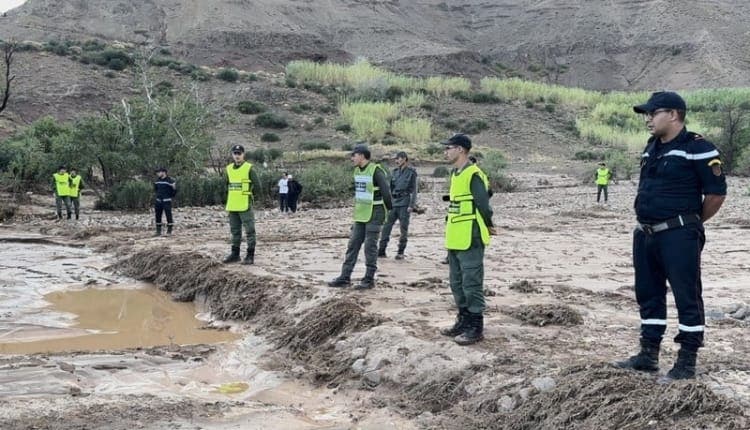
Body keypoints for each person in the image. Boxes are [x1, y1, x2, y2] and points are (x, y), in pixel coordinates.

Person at [614, 91, 726, 381]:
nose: (648, 119)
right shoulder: (652, 147)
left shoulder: (697, 147)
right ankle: (648, 355)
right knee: (648, 295)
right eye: (646, 114)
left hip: (679, 235)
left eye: (654, 113)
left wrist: (689, 223)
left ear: (674, 114)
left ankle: (686, 361)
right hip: (646, 234)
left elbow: (715, 193)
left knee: (687, 296)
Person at [438, 134, 496, 346]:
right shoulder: (456, 174)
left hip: (470, 234)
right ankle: (463, 320)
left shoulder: (473, 174)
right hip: (454, 235)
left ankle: (475, 326)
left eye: (449, 148)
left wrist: (489, 225)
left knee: (472, 282)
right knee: (457, 282)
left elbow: (483, 204)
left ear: (461, 150)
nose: (446, 152)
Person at [328, 144, 393, 290]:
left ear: (362, 156)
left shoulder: (376, 171)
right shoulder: (357, 171)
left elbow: (386, 193)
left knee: (370, 247)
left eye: (354, 155)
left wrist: (389, 211)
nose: (352, 158)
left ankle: (369, 279)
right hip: (361, 215)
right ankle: (345, 277)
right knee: (352, 246)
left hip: (375, 214)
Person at [223, 144, 261, 265]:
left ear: (243, 154)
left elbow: (258, 186)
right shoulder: (228, 169)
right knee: (235, 231)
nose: (237, 156)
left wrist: (250, 196)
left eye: (239, 153)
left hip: (245, 204)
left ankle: (250, 255)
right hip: (233, 204)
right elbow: (225, 186)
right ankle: (235, 254)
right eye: (235, 153)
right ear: (232, 155)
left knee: (250, 230)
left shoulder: (249, 168)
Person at [378, 151, 418, 260]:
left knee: (403, 229)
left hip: (405, 203)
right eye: (396, 159)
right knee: (386, 226)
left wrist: (412, 205)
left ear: (404, 159)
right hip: (394, 203)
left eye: (398, 159)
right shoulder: (395, 172)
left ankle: (400, 251)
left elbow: (414, 190)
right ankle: (381, 250)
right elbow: (390, 188)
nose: (396, 161)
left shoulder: (411, 172)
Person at [153, 167, 177, 236]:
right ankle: (158, 231)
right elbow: (155, 189)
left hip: (167, 201)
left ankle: (169, 231)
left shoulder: (170, 181)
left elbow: (174, 192)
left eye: (159, 172)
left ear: (163, 172)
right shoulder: (157, 181)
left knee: (168, 215)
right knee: (158, 216)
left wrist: (174, 188)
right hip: (158, 201)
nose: (157, 174)